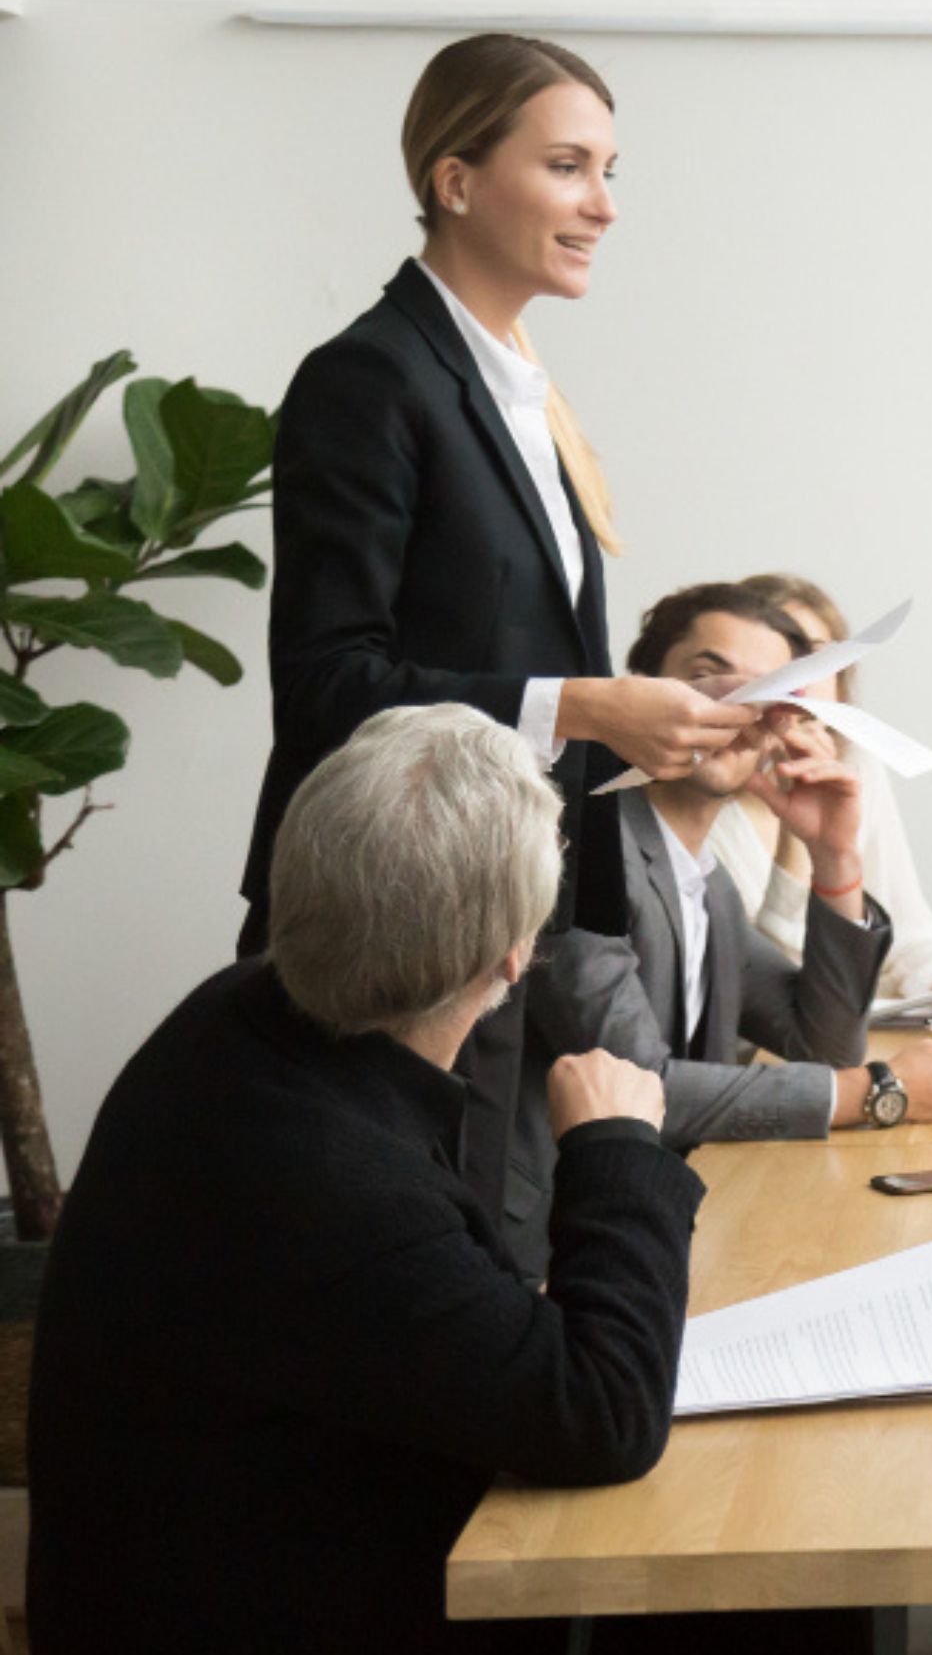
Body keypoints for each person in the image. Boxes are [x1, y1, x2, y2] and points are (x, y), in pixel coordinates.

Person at [31, 705, 700, 1653]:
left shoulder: (235, 1015)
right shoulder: (333, 1188)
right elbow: (603, 1415)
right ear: (515, 954)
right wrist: (618, 1147)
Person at [244, 34, 761, 1222]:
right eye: (571, 166)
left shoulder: (524, 393)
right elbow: (326, 682)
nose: (605, 205)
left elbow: (523, 652)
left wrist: (663, 734)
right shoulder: (369, 379)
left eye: (612, 170)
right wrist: (587, 705)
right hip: (391, 934)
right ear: (456, 179)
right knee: (395, 1280)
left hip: (510, 921)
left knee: (492, 1264)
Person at [515, 584, 932, 1275]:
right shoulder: (581, 855)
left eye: (768, 692)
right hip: (550, 1248)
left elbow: (822, 1043)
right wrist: (879, 1091)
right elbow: (640, 1086)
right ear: (643, 696)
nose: (735, 709)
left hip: (667, 1219)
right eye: (705, 677)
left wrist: (834, 856)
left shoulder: (702, 879)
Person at [704, 571, 932, 1024]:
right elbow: (765, 987)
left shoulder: (857, 765)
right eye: (785, 660)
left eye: (818, 660)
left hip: (845, 1035)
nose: (802, 682)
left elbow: (906, 929)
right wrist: (800, 840)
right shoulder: (703, 794)